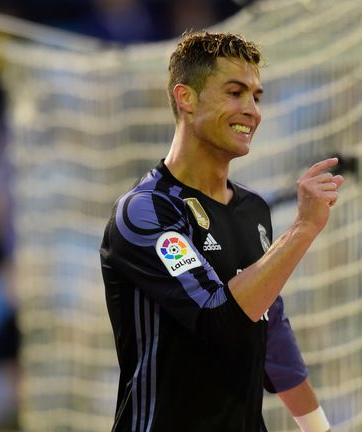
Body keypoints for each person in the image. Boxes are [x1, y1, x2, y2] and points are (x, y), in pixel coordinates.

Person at [99, 30, 342, 431]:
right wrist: (303, 228)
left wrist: (319, 429)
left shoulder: (254, 209)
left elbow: (272, 331)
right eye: (235, 93)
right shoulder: (146, 211)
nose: (253, 110)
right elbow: (218, 320)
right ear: (186, 98)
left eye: (256, 97)